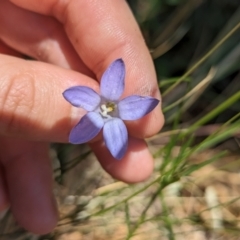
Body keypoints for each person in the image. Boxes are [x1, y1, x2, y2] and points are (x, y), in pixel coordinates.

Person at [0, 0, 164, 234]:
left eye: (108, 109)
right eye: (106, 109)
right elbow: (78, 99)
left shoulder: (122, 107)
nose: (106, 110)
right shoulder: (93, 105)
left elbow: (122, 135)